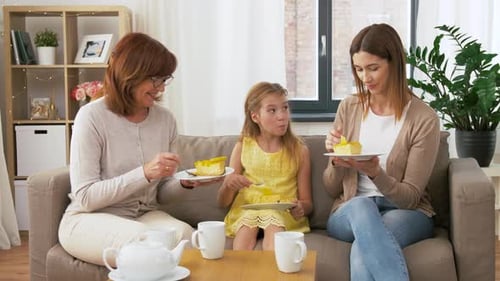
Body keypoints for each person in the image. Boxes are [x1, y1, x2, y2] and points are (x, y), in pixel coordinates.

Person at [59, 32, 210, 266]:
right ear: (130, 74)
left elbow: (160, 193)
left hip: (143, 215)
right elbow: (86, 197)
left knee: (188, 239)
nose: (160, 88)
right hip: (89, 218)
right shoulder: (92, 116)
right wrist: (145, 172)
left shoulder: (165, 119)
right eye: (154, 79)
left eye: (164, 79)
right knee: (148, 246)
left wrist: (183, 183)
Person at [323, 23, 440, 281]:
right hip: (350, 211)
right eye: (359, 69)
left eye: (373, 68)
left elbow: (410, 198)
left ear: (395, 63)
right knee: (362, 206)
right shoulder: (349, 107)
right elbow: (332, 189)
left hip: (406, 212)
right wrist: (335, 158)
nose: (366, 78)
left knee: (363, 248)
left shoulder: (423, 119)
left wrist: (377, 174)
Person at [217, 82, 312, 250]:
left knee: (273, 223)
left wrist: (301, 207)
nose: (282, 116)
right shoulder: (243, 146)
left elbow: (308, 203)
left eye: (285, 108)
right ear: (255, 117)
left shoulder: (300, 151)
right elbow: (223, 202)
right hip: (248, 210)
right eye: (272, 110)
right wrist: (228, 184)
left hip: (281, 211)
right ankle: (240, 274)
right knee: (246, 229)